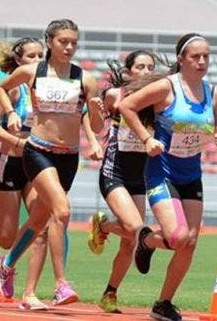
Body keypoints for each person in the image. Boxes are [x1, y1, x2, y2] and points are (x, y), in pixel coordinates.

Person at [0, 19, 104, 304]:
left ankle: (9, 268)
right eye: (63, 41)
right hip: (38, 151)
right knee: (61, 212)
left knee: (39, 219)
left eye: (74, 43)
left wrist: (96, 111)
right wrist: (11, 113)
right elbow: (2, 88)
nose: (69, 47)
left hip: (68, 157)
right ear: (50, 42)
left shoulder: (85, 79)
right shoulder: (32, 71)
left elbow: (98, 125)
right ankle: (61, 284)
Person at [118, 34, 217, 321]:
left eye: (206, 56)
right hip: (161, 171)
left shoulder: (215, 94)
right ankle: (146, 241)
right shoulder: (166, 88)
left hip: (191, 174)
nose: (202, 61)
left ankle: (163, 303)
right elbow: (126, 106)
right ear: (181, 59)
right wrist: (146, 138)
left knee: (190, 242)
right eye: (195, 56)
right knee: (178, 236)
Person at [0, 37, 71, 309]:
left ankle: (30, 293)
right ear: (19, 62)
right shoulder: (14, 91)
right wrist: (19, 142)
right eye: (31, 57)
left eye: (41, 56)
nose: (37, 61)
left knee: (42, 225)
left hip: (37, 164)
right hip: (11, 164)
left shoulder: (50, 90)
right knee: (6, 236)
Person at [86, 50, 157, 313]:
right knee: (135, 228)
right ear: (128, 72)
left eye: (151, 66)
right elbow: (94, 124)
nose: (146, 71)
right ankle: (104, 225)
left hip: (140, 175)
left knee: (131, 239)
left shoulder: (160, 100)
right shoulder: (116, 95)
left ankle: (110, 293)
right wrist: (94, 116)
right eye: (140, 66)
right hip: (114, 172)